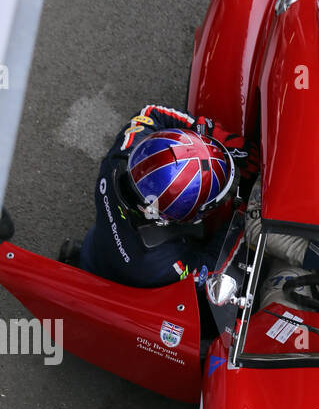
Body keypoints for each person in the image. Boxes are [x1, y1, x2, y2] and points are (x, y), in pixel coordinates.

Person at [59, 104, 251, 289]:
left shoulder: (115, 163)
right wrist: (245, 217)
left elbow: (150, 113)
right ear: (186, 214)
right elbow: (210, 271)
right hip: (128, 291)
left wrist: (204, 132)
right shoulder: (165, 263)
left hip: (96, 251)